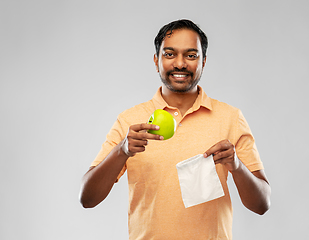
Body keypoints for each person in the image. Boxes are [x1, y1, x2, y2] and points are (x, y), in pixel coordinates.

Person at [80, 19, 271, 239]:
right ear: (156, 60)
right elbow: (87, 198)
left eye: (191, 55)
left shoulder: (230, 118)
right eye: (170, 54)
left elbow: (262, 204)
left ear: (204, 61)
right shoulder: (129, 121)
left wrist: (236, 165)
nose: (180, 64)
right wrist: (122, 150)